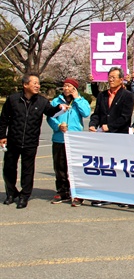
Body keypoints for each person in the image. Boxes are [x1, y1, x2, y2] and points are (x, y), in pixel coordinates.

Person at [1, 74, 67, 209]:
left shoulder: (42, 102)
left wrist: (59, 108)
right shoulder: (13, 99)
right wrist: (2, 136)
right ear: (25, 85)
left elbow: (51, 112)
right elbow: (3, 119)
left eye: (38, 83)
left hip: (31, 141)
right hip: (13, 139)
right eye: (34, 83)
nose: (37, 86)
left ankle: (25, 196)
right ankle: (11, 193)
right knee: (9, 168)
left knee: (28, 169)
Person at [88, 67, 134, 207]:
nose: (111, 79)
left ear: (121, 80)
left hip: (119, 135)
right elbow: (97, 113)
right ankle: (105, 194)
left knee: (120, 167)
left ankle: (122, 196)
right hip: (104, 136)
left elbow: (125, 117)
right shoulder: (102, 95)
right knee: (105, 166)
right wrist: (93, 124)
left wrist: (111, 126)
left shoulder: (127, 95)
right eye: (109, 76)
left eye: (114, 77)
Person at [47, 78, 91, 207]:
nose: (66, 88)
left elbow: (86, 113)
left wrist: (77, 98)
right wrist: (58, 125)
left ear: (75, 88)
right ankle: (62, 192)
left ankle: (78, 193)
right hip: (59, 138)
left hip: (75, 139)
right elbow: (50, 117)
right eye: (65, 86)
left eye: (69, 86)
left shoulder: (80, 101)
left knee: (75, 167)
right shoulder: (56, 101)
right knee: (60, 167)